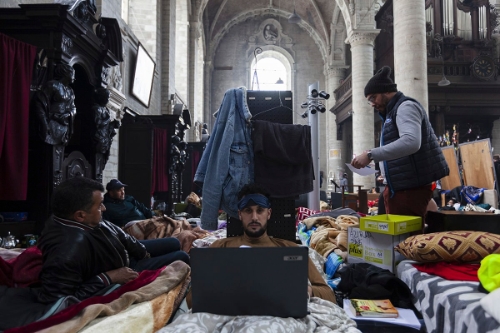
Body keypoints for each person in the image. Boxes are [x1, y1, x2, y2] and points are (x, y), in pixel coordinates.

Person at [37, 176, 190, 304]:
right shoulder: (67, 250)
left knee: (174, 242)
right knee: (182, 257)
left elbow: (121, 236)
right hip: (124, 267)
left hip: (123, 252)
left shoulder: (85, 219)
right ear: (80, 215)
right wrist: (109, 277)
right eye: (100, 205)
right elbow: (61, 300)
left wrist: (142, 252)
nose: (104, 208)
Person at [351, 66, 449, 230]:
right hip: (401, 187)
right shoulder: (392, 112)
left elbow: (411, 142)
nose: (372, 103)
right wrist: (386, 172)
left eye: (373, 97)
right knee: (397, 240)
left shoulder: (405, 107)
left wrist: (370, 154)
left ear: (386, 91)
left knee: (405, 241)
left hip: (410, 188)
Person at [210, 183, 336, 303]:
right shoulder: (219, 247)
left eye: (260, 211)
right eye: (248, 210)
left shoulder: (291, 250)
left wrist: (306, 291)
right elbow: (193, 297)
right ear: (240, 214)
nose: (254, 217)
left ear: (268, 213)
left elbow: (329, 295)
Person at [33, 63, 76, 145]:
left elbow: (73, 108)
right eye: (72, 73)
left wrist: (68, 114)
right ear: (65, 72)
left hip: (64, 125)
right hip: (51, 124)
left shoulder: (70, 91)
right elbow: (40, 103)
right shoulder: (53, 85)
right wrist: (44, 123)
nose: (74, 76)